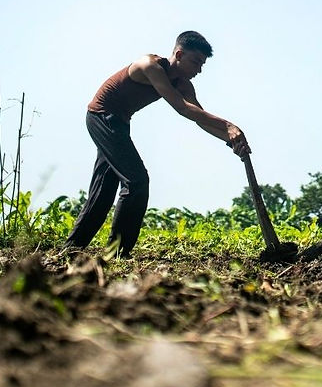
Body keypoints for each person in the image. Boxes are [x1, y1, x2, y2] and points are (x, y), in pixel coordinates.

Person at [64, 31, 250, 258]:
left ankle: (71, 249)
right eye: (195, 62)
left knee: (104, 190)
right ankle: (117, 253)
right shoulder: (150, 66)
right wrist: (229, 125)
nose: (198, 70)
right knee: (136, 181)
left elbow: (198, 117)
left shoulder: (183, 85)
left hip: (119, 123)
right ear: (179, 54)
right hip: (102, 117)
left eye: (202, 65)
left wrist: (231, 140)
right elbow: (182, 108)